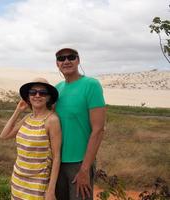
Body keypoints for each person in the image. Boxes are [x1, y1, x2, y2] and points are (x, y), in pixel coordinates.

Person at [54, 48, 106, 200]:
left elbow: (98, 130)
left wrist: (85, 169)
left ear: (78, 60)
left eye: (71, 57)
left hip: (79, 163)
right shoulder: (58, 88)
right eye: (61, 58)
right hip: (57, 162)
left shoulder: (91, 85)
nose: (66, 61)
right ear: (57, 63)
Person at [0, 78, 62, 200]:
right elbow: (4, 135)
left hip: (37, 183)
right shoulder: (28, 118)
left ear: (48, 97)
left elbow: (56, 157)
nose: (37, 95)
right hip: (18, 179)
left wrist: (51, 190)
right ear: (28, 97)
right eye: (33, 92)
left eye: (42, 93)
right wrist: (18, 110)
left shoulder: (52, 120)